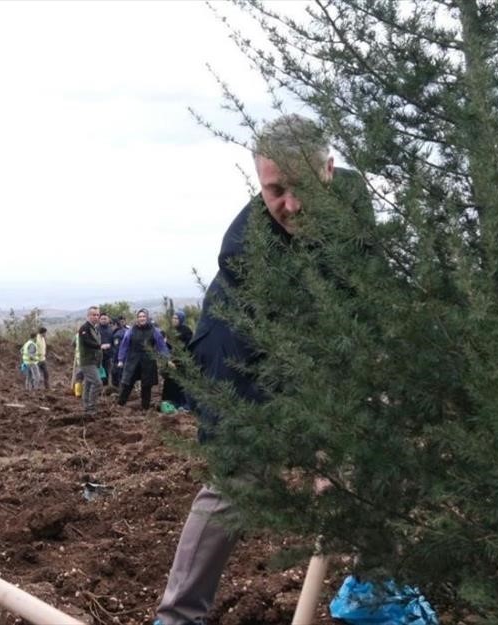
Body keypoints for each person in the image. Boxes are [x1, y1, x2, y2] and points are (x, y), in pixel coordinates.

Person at [153, 114, 371, 625]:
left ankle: (377, 588)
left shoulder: (358, 205)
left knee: (370, 449)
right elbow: (294, 353)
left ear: (330, 170)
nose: (291, 206)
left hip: (323, 346)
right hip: (238, 352)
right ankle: (178, 616)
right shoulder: (249, 252)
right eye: (275, 190)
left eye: (302, 188)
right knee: (240, 478)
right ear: (259, 180)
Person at [115, 308, 169, 410]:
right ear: (137, 318)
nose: (142, 318)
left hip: (148, 361)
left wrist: (167, 358)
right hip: (133, 360)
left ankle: (145, 408)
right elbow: (124, 345)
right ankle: (120, 405)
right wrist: (121, 359)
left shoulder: (155, 331)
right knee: (127, 383)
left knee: (146, 386)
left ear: (147, 317)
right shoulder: (130, 331)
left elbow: (161, 346)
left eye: (144, 316)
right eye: (140, 317)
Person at [160, 311, 193, 410]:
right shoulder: (170, 331)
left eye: (176, 318)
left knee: (182, 383)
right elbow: (167, 347)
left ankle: (184, 403)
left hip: (182, 362)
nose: (174, 320)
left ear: (181, 319)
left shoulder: (186, 331)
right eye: (173, 318)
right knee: (170, 383)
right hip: (171, 361)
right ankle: (171, 402)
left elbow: (188, 347)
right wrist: (168, 360)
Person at [77, 305, 105, 415]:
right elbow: (87, 342)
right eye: (94, 315)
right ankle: (91, 407)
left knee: (88, 384)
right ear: (88, 316)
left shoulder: (94, 328)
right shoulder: (84, 328)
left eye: (98, 315)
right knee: (97, 383)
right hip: (87, 361)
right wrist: (100, 346)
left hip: (94, 361)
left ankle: (87, 406)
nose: (96, 317)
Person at [110, 314, 129, 387]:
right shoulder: (125, 331)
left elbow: (117, 349)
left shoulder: (117, 335)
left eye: (111, 325)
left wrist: (116, 360)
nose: (110, 327)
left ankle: (121, 393)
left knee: (119, 377)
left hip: (120, 360)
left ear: (115, 324)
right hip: (127, 359)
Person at [97, 313, 114, 386]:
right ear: (99, 320)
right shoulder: (96, 329)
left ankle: (107, 387)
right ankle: (100, 387)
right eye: (102, 319)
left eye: (105, 319)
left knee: (108, 371)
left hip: (109, 354)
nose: (103, 320)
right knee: (99, 372)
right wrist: (100, 346)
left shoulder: (111, 329)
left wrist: (110, 345)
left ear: (108, 319)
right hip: (98, 355)